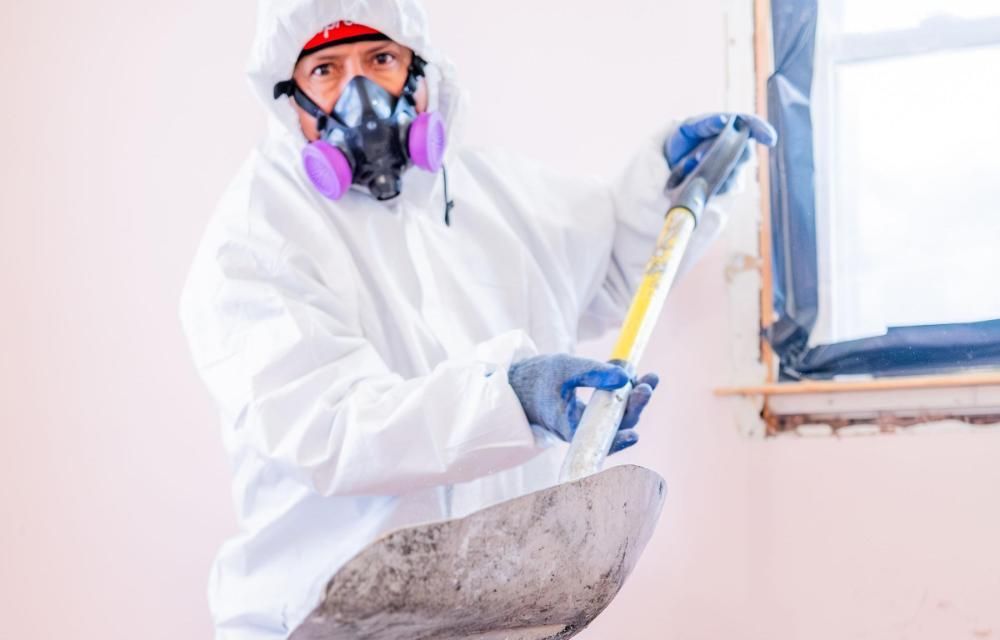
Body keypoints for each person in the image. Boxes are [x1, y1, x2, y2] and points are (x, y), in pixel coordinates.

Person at [179, 1, 776, 638]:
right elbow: (331, 425)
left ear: (421, 71)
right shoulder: (255, 236)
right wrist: (510, 396)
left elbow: (609, 272)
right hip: (326, 619)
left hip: (499, 616)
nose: (360, 95)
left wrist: (666, 182)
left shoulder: (492, 193)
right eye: (325, 69)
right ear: (289, 98)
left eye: (381, 59)